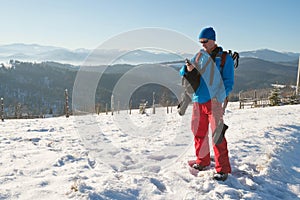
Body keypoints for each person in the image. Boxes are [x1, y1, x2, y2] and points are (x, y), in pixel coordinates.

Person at [179, 27, 234, 181]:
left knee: (218, 135)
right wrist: (186, 68)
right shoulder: (199, 56)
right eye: (200, 42)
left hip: (214, 101)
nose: (202, 44)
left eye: (205, 41)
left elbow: (229, 82)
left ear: (213, 40)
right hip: (198, 100)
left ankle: (222, 169)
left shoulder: (224, 58)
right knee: (199, 132)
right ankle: (202, 161)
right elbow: (183, 72)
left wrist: (219, 97)